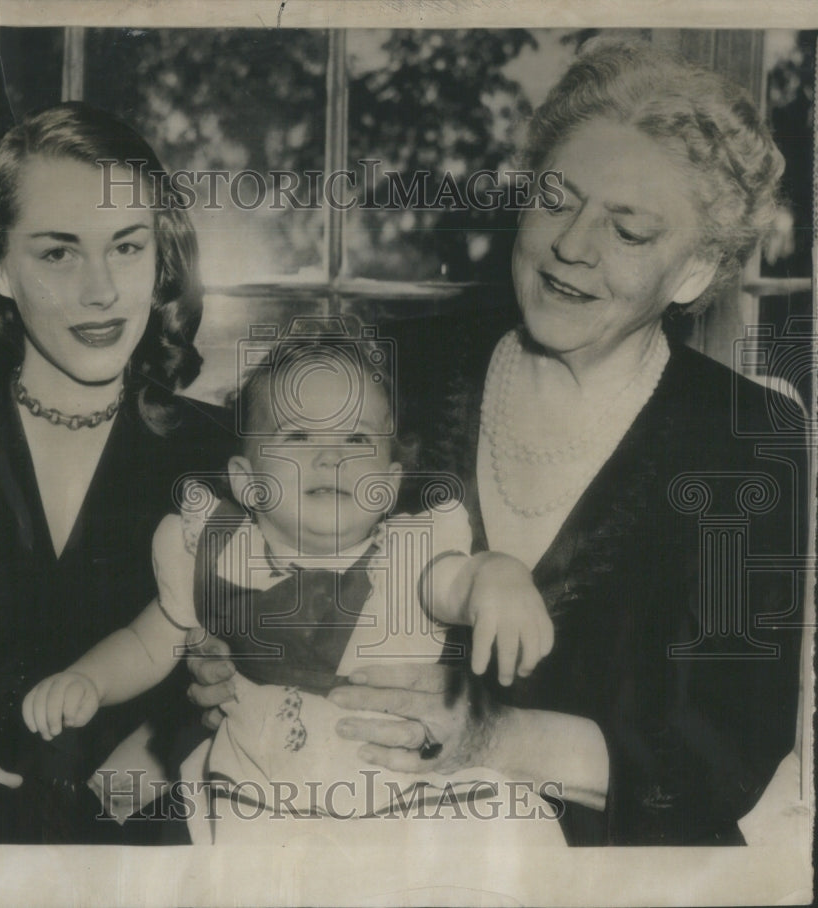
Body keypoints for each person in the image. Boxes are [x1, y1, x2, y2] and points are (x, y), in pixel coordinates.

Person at [189, 40, 807, 846]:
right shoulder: (398, 368)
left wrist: (489, 740)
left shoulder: (747, 439)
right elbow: (249, 526)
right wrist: (222, 652)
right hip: (322, 828)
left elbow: (720, 755)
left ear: (693, 273)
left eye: (627, 231)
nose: (572, 245)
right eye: (556, 201)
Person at [0, 102, 233, 844]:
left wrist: (183, 745)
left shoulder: (228, 464)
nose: (100, 290)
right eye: (58, 253)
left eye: (126, 247)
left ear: (161, 263)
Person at [22, 333, 559, 838]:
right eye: (298, 436)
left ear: (390, 485)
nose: (330, 456)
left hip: (396, 805)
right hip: (250, 796)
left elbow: (462, 581)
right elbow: (148, 641)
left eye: (356, 437)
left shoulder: (412, 554)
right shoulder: (216, 549)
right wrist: (88, 680)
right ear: (248, 482)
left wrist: (499, 576)